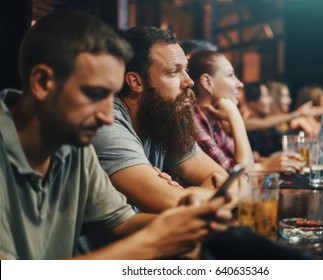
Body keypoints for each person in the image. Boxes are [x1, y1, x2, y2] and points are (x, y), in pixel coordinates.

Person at [0, 10, 231, 260]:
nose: (108, 117)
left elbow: (122, 222)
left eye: (112, 97)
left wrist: (183, 222)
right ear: (43, 82)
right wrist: (153, 242)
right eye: (96, 94)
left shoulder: (75, 146)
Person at [92, 27, 228, 214]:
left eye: (186, 70)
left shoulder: (161, 117)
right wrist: (183, 194)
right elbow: (172, 203)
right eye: (173, 72)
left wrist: (185, 194)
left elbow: (224, 179)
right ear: (136, 82)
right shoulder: (107, 124)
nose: (189, 81)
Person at [188, 50, 303, 174]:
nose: (240, 84)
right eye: (230, 75)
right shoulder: (193, 122)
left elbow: (242, 163)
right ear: (207, 82)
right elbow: (236, 174)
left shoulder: (214, 121)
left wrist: (266, 163)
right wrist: (235, 116)